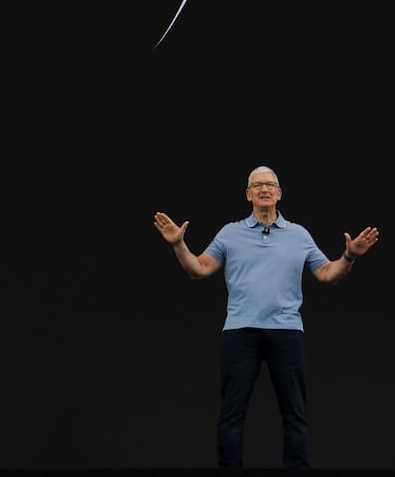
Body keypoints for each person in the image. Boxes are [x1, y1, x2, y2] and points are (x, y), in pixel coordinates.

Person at [153, 165, 379, 470]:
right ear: (248, 195)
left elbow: (327, 274)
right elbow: (199, 269)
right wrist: (179, 244)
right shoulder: (230, 233)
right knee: (232, 413)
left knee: (295, 413)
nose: (264, 189)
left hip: (286, 331)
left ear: (279, 193)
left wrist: (349, 256)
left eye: (270, 184)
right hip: (240, 332)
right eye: (257, 185)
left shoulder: (298, 235)